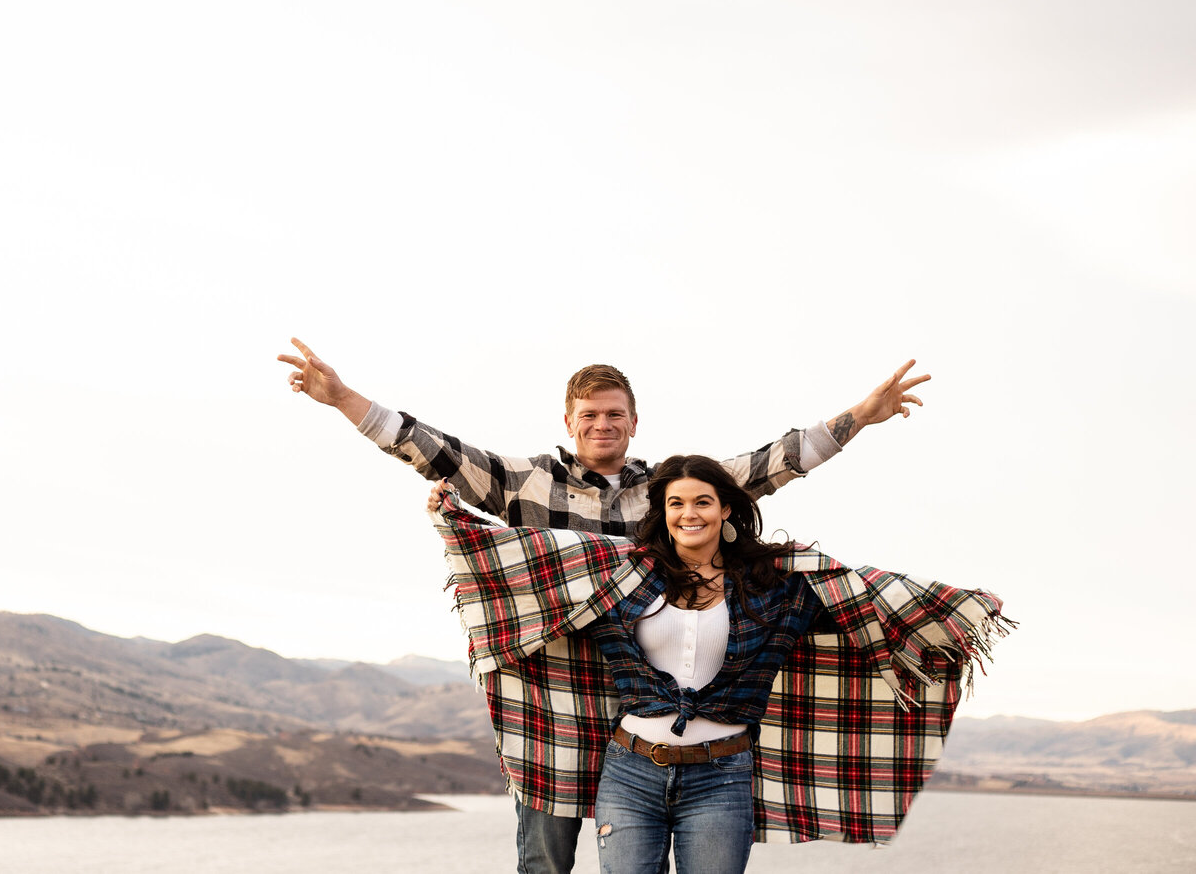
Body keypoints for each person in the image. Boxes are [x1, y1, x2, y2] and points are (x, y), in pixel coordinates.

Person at [278, 337, 930, 874]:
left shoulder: (667, 490)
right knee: (545, 858)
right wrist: (341, 398)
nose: (602, 424)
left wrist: (859, 417)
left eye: (614, 413)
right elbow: (433, 447)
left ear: (633, 421)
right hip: (555, 700)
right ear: (569, 422)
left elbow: (766, 464)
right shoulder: (528, 482)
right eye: (589, 414)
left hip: (648, 702)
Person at [429, 457, 1011, 873]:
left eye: (702, 501)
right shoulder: (624, 572)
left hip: (722, 777)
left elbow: (860, 594)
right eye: (676, 503)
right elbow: (526, 562)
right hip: (629, 772)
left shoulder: (773, 585)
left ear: (725, 509)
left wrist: (956, 609)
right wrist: (454, 517)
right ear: (662, 511)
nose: (689, 513)